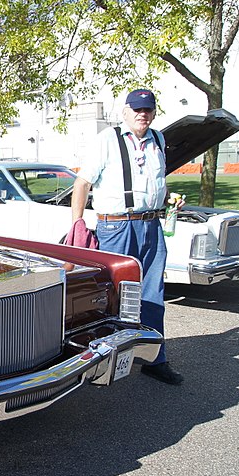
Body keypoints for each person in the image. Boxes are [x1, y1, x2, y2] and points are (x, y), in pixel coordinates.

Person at [71, 88, 184, 385]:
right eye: (136, 109)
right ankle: (102, 359)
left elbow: (154, 182)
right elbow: (82, 183)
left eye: (147, 109)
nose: (142, 114)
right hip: (117, 226)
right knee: (113, 295)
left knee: (153, 294)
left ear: (154, 113)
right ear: (125, 112)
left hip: (151, 225)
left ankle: (154, 359)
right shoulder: (108, 139)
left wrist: (169, 200)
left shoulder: (158, 139)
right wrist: (77, 224)